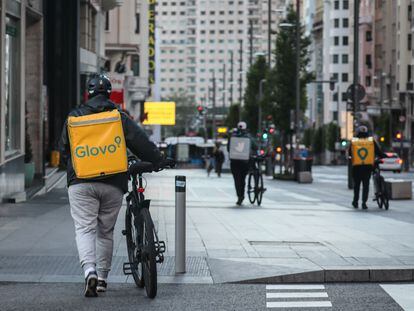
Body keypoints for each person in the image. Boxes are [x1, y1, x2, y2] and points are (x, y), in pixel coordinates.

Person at [59, 74, 163, 297]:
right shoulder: (118, 117)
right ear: (108, 93)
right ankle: (103, 279)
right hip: (113, 182)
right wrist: (158, 160)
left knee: (84, 229)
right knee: (105, 232)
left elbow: (64, 149)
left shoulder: (74, 117)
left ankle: (90, 272)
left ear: (88, 93)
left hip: (81, 181)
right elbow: (140, 141)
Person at [349, 125, 385, 209]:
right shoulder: (371, 141)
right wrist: (384, 155)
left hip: (357, 167)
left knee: (357, 185)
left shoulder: (354, 141)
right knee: (366, 185)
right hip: (368, 167)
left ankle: (355, 202)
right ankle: (364, 203)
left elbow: (350, 154)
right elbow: (378, 151)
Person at [228, 121, 257, 205]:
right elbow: (255, 146)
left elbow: (228, 149)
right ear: (246, 128)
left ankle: (240, 196)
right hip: (245, 162)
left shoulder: (232, 137)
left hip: (234, 162)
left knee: (237, 180)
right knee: (242, 179)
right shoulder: (249, 137)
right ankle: (242, 195)